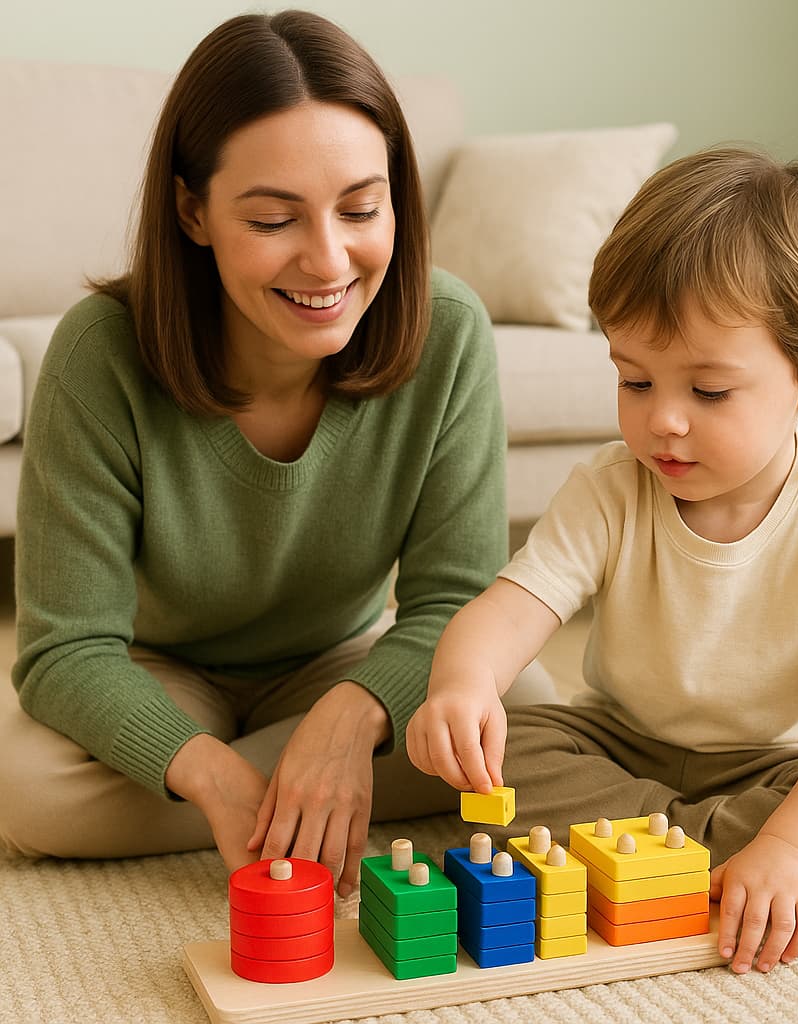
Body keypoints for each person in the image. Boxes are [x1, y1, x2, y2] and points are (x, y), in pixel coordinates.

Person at [0, 9, 533, 897]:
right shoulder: (100, 354)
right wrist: (203, 767)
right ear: (192, 211)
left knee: (535, 715)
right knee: (29, 791)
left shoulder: (450, 332)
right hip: (160, 671)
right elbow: (66, 651)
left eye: (360, 208)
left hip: (341, 658)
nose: (328, 261)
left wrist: (351, 714)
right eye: (275, 219)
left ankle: (309, 775)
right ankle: (289, 793)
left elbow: (457, 600)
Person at [406, 147, 798, 974]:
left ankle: (672, 858)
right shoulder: (613, 488)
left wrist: (795, 847)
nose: (664, 423)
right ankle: (695, 856)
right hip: (622, 743)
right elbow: (512, 609)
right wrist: (461, 684)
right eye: (635, 382)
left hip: (773, 765)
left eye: (708, 392)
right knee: (502, 749)